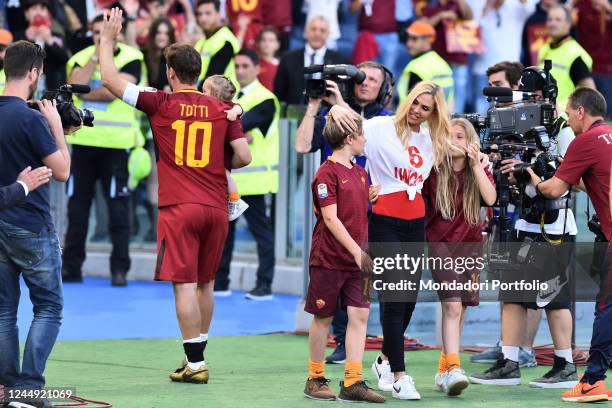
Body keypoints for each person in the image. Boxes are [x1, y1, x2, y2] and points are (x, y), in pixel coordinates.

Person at [99, 8, 251, 384]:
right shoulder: (224, 109)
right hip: (216, 207)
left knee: (183, 284)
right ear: (198, 73)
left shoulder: (160, 103)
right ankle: (197, 356)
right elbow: (245, 157)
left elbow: (109, 80)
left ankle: (195, 362)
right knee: (206, 283)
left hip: (178, 207)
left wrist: (107, 40)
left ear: (170, 73)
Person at [329, 81, 452, 400]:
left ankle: (384, 360)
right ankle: (400, 375)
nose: (417, 111)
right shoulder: (380, 126)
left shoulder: (430, 139)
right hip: (384, 222)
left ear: (433, 113)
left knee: (408, 298)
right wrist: (338, 103)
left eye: (426, 108)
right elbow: (348, 138)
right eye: (415, 103)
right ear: (407, 100)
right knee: (394, 297)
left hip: (415, 224)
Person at [470, 68, 579, 388]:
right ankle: (509, 361)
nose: (531, 102)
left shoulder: (562, 129)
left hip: (553, 224)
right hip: (522, 220)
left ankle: (565, 364)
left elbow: (566, 179)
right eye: (528, 95)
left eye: (535, 96)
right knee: (514, 296)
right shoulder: (516, 124)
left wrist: (530, 168)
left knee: (554, 298)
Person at [295, 60, 394, 364]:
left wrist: (339, 103)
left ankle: (362, 367)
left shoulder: (385, 119)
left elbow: (368, 137)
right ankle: (329, 356)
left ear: (385, 88)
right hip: (336, 210)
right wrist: (315, 106)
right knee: (333, 293)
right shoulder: (332, 118)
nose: (364, 83)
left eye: (372, 80)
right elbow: (301, 146)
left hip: (376, 207)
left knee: (363, 292)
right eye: (361, 78)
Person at [0, 40, 73, 405]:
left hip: (0, 220)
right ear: (33, 73)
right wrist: (57, 127)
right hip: (30, 224)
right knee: (49, 306)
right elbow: (62, 170)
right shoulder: (32, 118)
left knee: (3, 309)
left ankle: (8, 386)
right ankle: (28, 389)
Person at [527, 87, 611, 402]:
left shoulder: (584, 141)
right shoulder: (608, 136)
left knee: (606, 308)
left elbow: (553, 190)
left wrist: (532, 177)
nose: (566, 117)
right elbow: (595, 182)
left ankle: (592, 381)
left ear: (580, 111)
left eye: (568, 111)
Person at [303, 113, 385, 403]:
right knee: (323, 317)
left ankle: (352, 382)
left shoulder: (360, 172)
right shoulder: (325, 173)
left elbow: (353, 209)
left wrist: (368, 197)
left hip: (358, 259)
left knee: (360, 315)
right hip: (330, 258)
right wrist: (356, 252)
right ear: (349, 139)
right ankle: (314, 378)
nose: (366, 140)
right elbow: (329, 218)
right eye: (362, 135)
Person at [62, 12, 146, 287]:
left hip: (116, 147)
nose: (102, 36)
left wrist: (89, 90)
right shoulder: (80, 56)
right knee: (77, 210)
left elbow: (114, 91)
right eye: (97, 32)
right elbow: (75, 85)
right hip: (84, 144)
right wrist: (97, 56)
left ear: (117, 31)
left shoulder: (133, 57)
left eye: (106, 31)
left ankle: (119, 269)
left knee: (118, 211)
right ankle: (72, 268)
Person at [470, 60, 541, 368]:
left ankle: (525, 348)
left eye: (499, 85)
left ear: (516, 86)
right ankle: (507, 345)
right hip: (502, 207)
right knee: (505, 278)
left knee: (529, 283)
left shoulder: (533, 119)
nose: (493, 93)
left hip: (531, 210)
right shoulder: (494, 119)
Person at [424, 118, 495, 396]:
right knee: (453, 307)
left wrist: (478, 164)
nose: (454, 140)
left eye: (460, 137)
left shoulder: (478, 169)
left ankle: (444, 370)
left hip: (471, 246)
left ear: (471, 143)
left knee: (461, 309)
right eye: (449, 135)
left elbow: (490, 198)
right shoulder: (434, 169)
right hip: (440, 244)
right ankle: (454, 367)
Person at [214, 48, 280, 300]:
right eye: (237, 66)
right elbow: (238, 130)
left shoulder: (265, 99)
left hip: (254, 181)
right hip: (231, 179)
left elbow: (237, 125)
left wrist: (235, 132)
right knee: (225, 233)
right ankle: (220, 283)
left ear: (257, 68)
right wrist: (239, 135)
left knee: (261, 233)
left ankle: (264, 285)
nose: (240, 71)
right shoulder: (231, 98)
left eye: (245, 66)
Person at [201, 74, 250, 221]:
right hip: (213, 152)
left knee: (225, 174)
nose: (201, 94)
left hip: (222, 153)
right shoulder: (207, 107)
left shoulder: (227, 109)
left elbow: (239, 107)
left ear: (216, 94)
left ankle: (235, 200)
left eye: (205, 91)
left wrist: (234, 112)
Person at [274, 15, 348, 106]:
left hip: (325, 116)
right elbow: (278, 94)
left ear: (328, 34)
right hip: (293, 115)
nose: (317, 34)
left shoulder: (340, 61)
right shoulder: (287, 58)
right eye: (313, 29)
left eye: (322, 30)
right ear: (305, 31)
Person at [537, 4, 595, 110]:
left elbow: (589, 93)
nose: (552, 23)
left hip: (566, 119)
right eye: (550, 19)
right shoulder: (544, 49)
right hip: (545, 113)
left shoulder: (575, 54)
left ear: (568, 24)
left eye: (558, 20)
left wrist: (567, 108)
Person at [421, 0, 473, 113]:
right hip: (439, 59)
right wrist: (441, 16)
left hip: (458, 57)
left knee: (459, 91)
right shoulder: (432, 6)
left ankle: (457, 119)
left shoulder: (458, 4)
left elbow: (470, 17)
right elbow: (423, 26)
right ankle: (440, 119)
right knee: (438, 92)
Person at [14, 0, 70, 91]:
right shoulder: (18, 36)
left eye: (43, 8)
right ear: (26, 13)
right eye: (34, 8)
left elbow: (65, 59)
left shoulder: (56, 36)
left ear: (48, 14)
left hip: (52, 88)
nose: (38, 12)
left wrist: (50, 41)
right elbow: (14, 62)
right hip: (23, 87)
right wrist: (27, 39)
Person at [396, 21, 454, 107]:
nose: (408, 43)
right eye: (408, 38)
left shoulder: (416, 66)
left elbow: (411, 106)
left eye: (414, 38)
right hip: (439, 119)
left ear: (428, 40)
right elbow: (451, 101)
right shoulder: (444, 65)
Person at [194, 0, 240, 89]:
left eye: (208, 13)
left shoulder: (226, 40)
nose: (203, 18)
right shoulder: (201, 41)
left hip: (223, 97)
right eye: (200, 14)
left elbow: (213, 78)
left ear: (218, 14)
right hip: (206, 95)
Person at [143, 17, 176, 92]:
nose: (162, 37)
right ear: (153, 34)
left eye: (166, 34)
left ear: (170, 36)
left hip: (167, 100)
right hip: (147, 99)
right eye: (159, 33)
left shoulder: (175, 58)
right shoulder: (143, 54)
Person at [255, 26, 281, 91]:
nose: (267, 44)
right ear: (258, 43)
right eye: (263, 40)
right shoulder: (252, 64)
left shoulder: (282, 66)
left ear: (277, 44)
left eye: (271, 40)